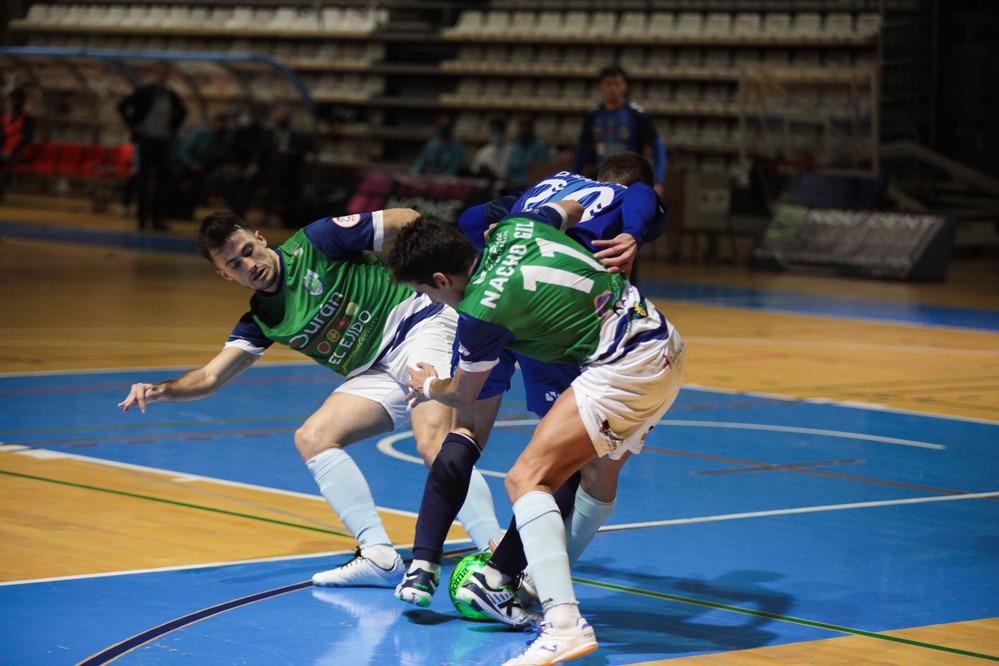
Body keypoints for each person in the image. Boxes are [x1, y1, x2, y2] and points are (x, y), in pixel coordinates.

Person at [117, 207, 502, 588]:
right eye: (235, 265)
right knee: (313, 437)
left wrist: (444, 261)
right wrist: (161, 389)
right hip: (374, 369)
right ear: (224, 275)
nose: (249, 265)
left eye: (248, 251)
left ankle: (496, 552)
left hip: (420, 323)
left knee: (433, 442)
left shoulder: (318, 241)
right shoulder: (264, 317)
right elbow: (209, 377)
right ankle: (378, 555)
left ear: (260, 238)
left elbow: (405, 217)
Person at [388, 202, 684, 665]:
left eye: (427, 293)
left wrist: (427, 384)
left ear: (442, 280)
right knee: (587, 474)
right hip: (660, 338)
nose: (434, 303)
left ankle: (563, 624)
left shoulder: (479, 313)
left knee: (526, 479)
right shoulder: (516, 227)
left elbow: (464, 394)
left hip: (626, 365)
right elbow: (573, 207)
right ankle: (518, 582)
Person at [573, 64, 667, 198]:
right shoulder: (594, 116)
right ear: (600, 87)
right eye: (608, 84)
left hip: (633, 181)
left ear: (625, 87)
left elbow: (657, 146)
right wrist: (575, 179)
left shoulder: (636, 114)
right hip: (602, 180)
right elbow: (581, 149)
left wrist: (658, 181)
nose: (613, 89)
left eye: (617, 84)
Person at [117, 62, 188, 231]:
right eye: (158, 74)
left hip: (163, 140)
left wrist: (173, 126)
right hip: (147, 139)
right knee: (143, 179)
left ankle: (158, 218)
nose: (161, 77)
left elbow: (183, 111)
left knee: (162, 181)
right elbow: (122, 106)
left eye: (164, 74)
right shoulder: (144, 92)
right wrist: (134, 125)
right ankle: (142, 218)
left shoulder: (171, 95)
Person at [261, 106, 314, 228]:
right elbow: (263, 150)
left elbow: (303, 152)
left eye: (284, 115)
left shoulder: (296, 134)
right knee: (271, 191)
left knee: (291, 194)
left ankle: (288, 218)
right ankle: (267, 215)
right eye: (280, 115)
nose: (282, 118)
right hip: (274, 168)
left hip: (291, 169)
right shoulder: (271, 133)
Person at [171, 112, 231, 220]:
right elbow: (183, 152)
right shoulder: (201, 134)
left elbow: (219, 155)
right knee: (178, 184)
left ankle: (187, 213)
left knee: (197, 188)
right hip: (185, 165)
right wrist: (193, 164)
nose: (222, 125)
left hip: (203, 167)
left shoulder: (223, 138)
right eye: (220, 122)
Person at [0, 86, 37, 201]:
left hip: (21, 152)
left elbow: (27, 138)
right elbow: (2, 137)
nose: (15, 102)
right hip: (5, 151)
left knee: (3, 162)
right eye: (13, 99)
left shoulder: (27, 119)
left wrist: (13, 151)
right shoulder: (6, 119)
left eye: (18, 99)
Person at [504, 118, 551, 191]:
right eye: (522, 129)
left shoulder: (540, 147)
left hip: (532, 186)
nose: (524, 132)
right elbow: (509, 168)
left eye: (526, 129)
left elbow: (543, 169)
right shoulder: (516, 147)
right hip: (514, 186)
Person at [469, 117, 510, 193]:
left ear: (503, 132)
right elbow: (475, 169)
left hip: (506, 187)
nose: (495, 134)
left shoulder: (510, 150)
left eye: (497, 131)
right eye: (493, 131)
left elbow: (510, 173)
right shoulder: (484, 151)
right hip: (487, 187)